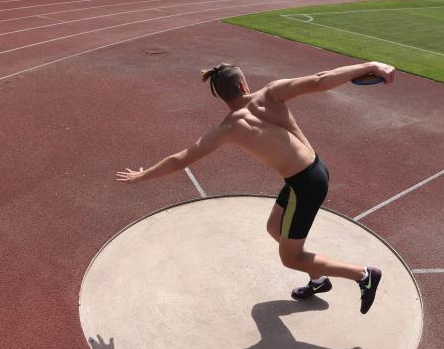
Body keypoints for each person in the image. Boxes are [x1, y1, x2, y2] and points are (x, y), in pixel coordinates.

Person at [116, 62, 395, 314]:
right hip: (311, 171)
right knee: (275, 227)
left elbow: (181, 158)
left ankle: (363, 275)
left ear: (222, 97)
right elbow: (321, 79)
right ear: (243, 85)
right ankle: (318, 279)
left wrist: (142, 176)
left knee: (290, 258)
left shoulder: (228, 128)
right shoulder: (272, 93)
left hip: (305, 185)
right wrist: (369, 66)